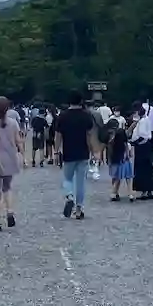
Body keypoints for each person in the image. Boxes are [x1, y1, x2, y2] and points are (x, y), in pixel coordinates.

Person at [55, 92, 98, 220]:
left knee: (67, 179)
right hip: (83, 152)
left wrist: (56, 151)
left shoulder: (63, 116)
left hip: (68, 152)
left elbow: (58, 136)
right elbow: (89, 135)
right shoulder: (86, 116)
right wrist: (93, 151)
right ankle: (79, 209)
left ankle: (69, 196)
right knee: (81, 182)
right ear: (81, 101)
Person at [0, 97, 24, 231]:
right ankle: (10, 211)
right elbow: (18, 141)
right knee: (7, 187)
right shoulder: (13, 123)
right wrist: (23, 156)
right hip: (10, 159)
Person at [129, 103, 153, 201]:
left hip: (142, 146)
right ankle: (148, 190)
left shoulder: (143, 121)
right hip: (144, 145)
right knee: (147, 168)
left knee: (142, 169)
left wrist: (133, 142)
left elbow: (142, 135)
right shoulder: (144, 119)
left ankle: (145, 191)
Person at [106, 113, 132, 201]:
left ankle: (114, 193)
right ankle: (129, 193)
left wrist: (109, 160)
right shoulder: (121, 132)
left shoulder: (109, 136)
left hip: (115, 158)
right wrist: (127, 154)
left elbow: (109, 149)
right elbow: (125, 144)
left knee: (116, 176)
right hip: (122, 157)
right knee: (125, 176)